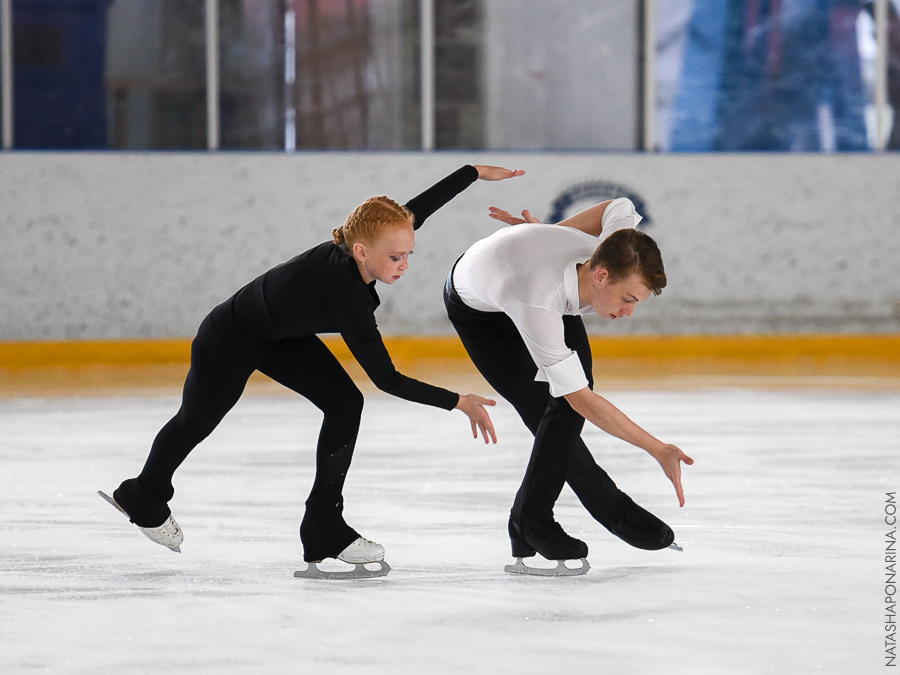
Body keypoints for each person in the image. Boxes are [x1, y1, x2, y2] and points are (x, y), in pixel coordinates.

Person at [101, 164, 523, 576]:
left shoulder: (371, 237)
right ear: (361, 251)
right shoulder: (347, 299)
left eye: (410, 253)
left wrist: (471, 172)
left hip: (280, 335)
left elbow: (416, 210)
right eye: (396, 256)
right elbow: (386, 379)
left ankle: (323, 525)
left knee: (344, 403)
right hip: (230, 335)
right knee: (195, 422)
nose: (404, 264)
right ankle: (144, 495)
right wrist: (457, 401)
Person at [443, 197, 694, 572]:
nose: (628, 313)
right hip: (482, 312)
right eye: (628, 299)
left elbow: (618, 204)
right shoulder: (538, 301)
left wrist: (551, 236)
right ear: (601, 275)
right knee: (547, 404)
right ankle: (544, 519)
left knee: (574, 388)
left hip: (527, 270)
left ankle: (544, 516)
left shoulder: (615, 247)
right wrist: (656, 448)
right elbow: (580, 400)